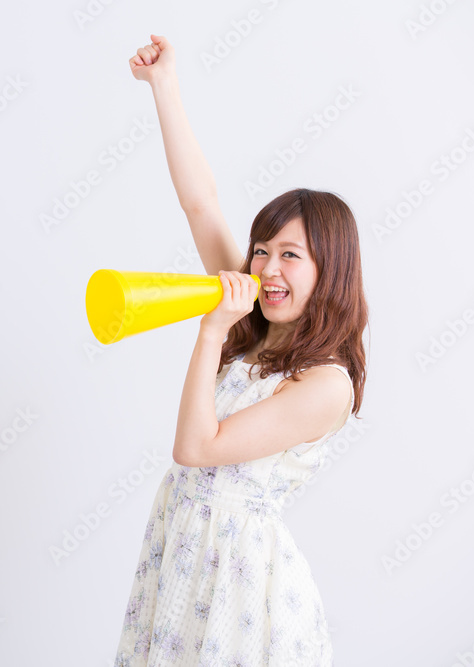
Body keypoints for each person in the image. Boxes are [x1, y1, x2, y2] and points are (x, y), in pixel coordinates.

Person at [115, 34, 369, 665]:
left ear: (330, 270)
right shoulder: (254, 320)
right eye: (262, 249)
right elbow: (200, 204)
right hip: (181, 549)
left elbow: (197, 448)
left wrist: (210, 330)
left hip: (238, 581)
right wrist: (165, 88)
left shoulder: (327, 383)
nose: (267, 267)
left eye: (291, 255)